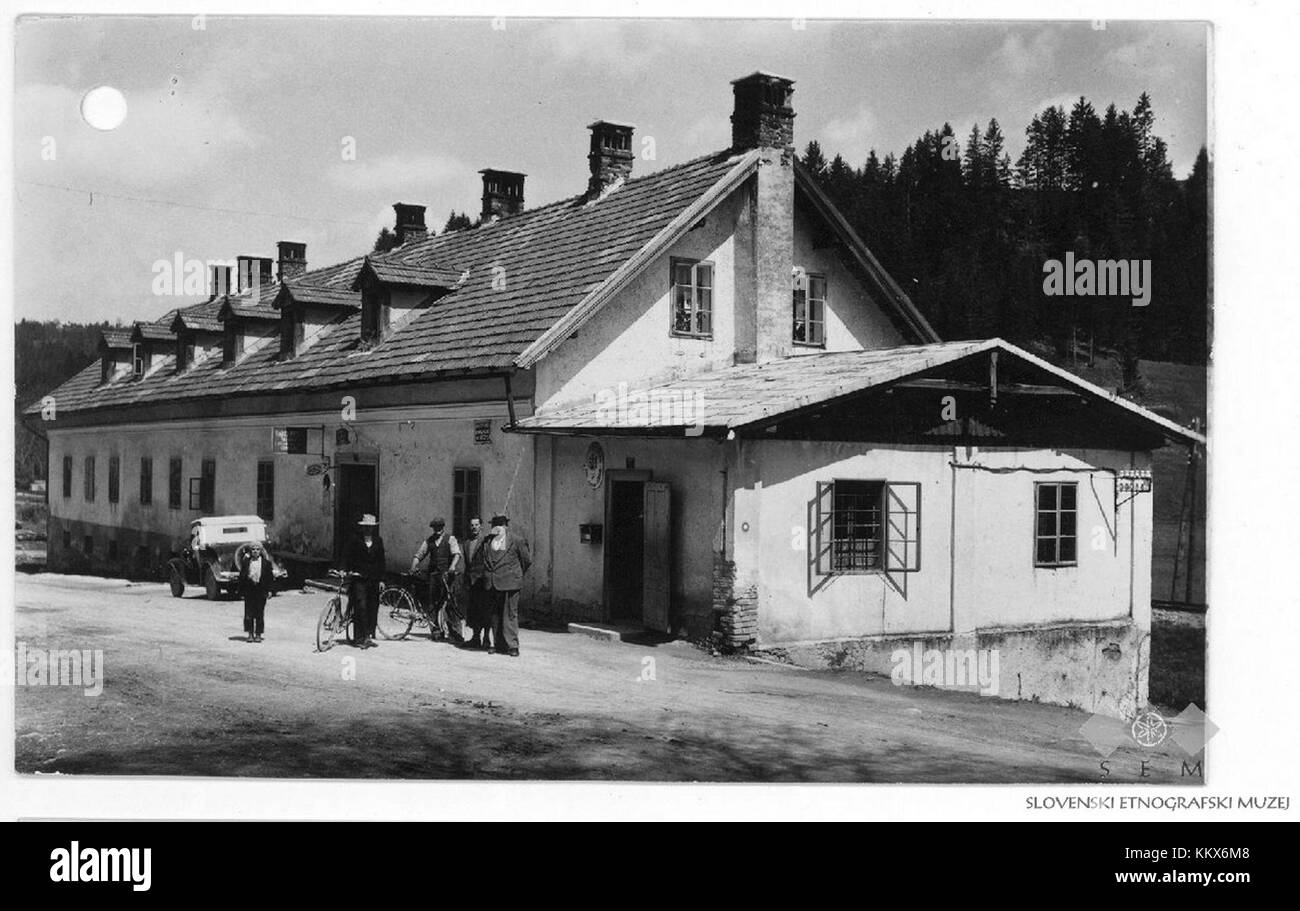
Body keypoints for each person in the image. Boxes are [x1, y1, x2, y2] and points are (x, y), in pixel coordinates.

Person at [482, 514, 530, 657]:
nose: (497, 527)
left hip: (510, 583)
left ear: (506, 526)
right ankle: (498, 644)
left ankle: (512, 645)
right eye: (494, 524)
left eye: (500, 524)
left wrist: (515, 575)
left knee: (509, 615)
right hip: (492, 583)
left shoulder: (517, 540)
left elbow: (526, 560)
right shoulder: (488, 541)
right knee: (495, 615)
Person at [410, 517, 463, 643]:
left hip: (447, 575)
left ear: (443, 527)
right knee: (433, 603)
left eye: (439, 527)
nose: (437, 529)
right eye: (435, 527)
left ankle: (455, 632)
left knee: (450, 604)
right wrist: (413, 565)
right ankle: (436, 631)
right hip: (433, 576)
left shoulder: (450, 539)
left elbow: (456, 554)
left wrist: (452, 566)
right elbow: (419, 554)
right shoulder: (429, 541)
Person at [342, 514, 386, 648]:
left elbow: (381, 561)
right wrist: (345, 569)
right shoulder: (355, 540)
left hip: (373, 579)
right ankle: (359, 638)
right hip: (358, 578)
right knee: (361, 605)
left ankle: (368, 636)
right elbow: (346, 555)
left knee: (372, 607)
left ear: (373, 528)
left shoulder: (378, 541)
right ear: (362, 527)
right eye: (366, 527)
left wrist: (382, 579)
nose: (368, 529)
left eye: (370, 527)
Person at [462, 517, 492, 649]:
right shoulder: (466, 543)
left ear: (481, 526)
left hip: (483, 582)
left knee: (485, 610)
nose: (474, 527)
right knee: (473, 611)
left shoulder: (486, 542)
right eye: (472, 525)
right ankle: (475, 638)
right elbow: (467, 564)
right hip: (471, 582)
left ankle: (486, 639)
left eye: (476, 525)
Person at [237, 541, 275, 643]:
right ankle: (250, 634)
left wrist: (270, 590)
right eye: (253, 549)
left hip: (261, 590)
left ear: (260, 551)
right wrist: (241, 591)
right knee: (248, 613)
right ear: (250, 551)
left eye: (257, 549)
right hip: (249, 589)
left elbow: (270, 578)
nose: (255, 551)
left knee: (259, 613)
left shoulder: (266, 563)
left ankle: (258, 634)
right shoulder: (246, 562)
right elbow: (242, 577)